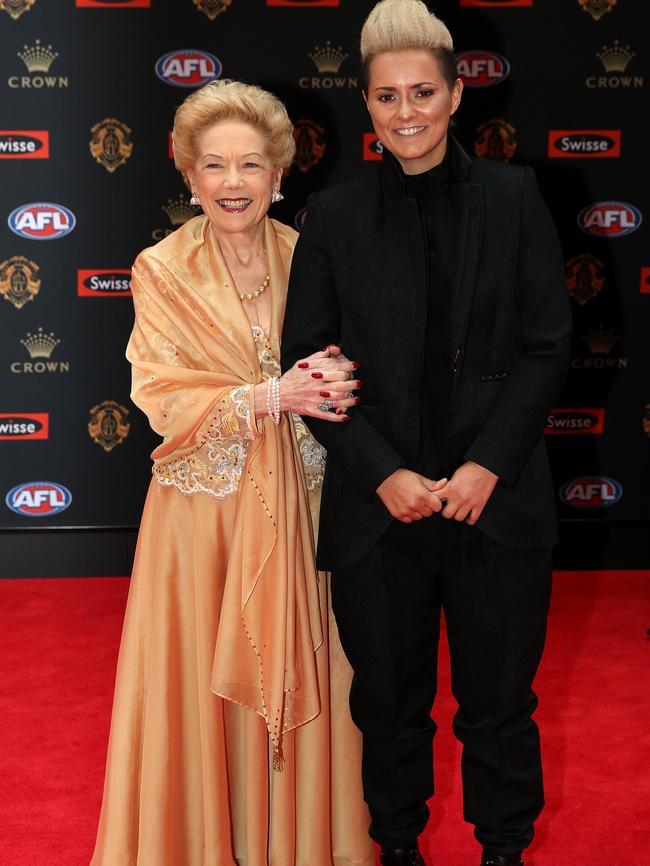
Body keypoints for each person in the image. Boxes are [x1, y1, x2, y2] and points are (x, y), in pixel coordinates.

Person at [281, 2, 572, 866]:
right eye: (385, 97)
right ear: (366, 107)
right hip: (382, 514)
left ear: (455, 96)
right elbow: (310, 361)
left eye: (422, 92)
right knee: (389, 704)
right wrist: (382, 473)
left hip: (499, 505)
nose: (404, 112)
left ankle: (503, 850)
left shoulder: (515, 197)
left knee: (499, 704)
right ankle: (399, 850)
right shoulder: (332, 218)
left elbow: (547, 344)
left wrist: (487, 464)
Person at [90, 80, 374, 866]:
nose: (233, 182)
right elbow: (158, 390)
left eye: (251, 164)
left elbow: (351, 365)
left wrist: (340, 382)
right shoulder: (161, 267)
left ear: (281, 174)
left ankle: (300, 846)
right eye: (214, 165)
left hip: (304, 506)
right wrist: (267, 395)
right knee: (194, 695)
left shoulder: (310, 253)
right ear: (188, 176)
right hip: (201, 519)